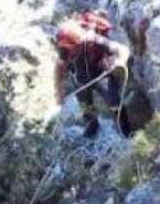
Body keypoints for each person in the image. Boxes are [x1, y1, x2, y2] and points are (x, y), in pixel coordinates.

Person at [54, 10, 134, 138]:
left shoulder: (92, 38)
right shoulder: (65, 48)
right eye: (74, 48)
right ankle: (92, 126)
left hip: (101, 73)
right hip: (80, 79)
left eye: (78, 46)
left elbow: (122, 49)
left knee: (115, 103)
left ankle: (126, 132)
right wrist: (58, 91)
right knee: (87, 107)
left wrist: (118, 61)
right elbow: (59, 68)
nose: (76, 50)